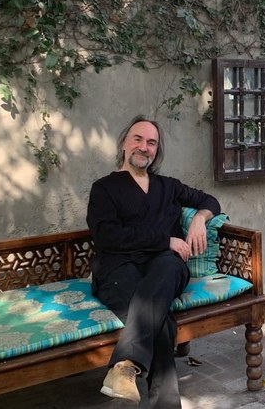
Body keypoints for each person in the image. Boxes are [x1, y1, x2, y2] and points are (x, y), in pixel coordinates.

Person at [86, 114, 220, 407]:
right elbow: (106, 236)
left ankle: (125, 365)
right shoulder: (105, 188)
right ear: (124, 143)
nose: (144, 147)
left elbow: (210, 201)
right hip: (118, 269)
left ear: (156, 150)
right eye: (138, 139)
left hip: (166, 267)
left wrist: (199, 218)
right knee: (160, 320)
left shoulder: (168, 186)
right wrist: (165, 240)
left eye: (151, 142)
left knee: (168, 267)